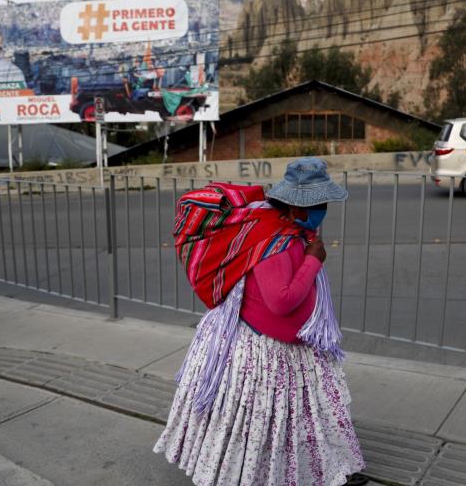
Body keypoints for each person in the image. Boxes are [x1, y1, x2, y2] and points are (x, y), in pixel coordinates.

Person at [155, 157, 366, 485]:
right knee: (268, 420)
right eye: (320, 203)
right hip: (262, 350)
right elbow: (280, 301)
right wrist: (312, 260)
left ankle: (317, 470)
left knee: (296, 418)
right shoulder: (274, 241)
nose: (324, 209)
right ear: (298, 206)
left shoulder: (286, 228)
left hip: (290, 346)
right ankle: (255, 475)